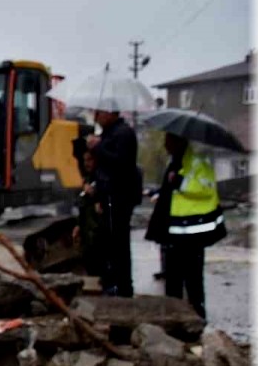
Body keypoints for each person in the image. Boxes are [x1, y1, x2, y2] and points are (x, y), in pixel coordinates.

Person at [144, 132, 226, 318]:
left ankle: (197, 317)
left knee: (193, 279)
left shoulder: (197, 162)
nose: (165, 145)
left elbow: (204, 188)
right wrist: (158, 192)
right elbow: (171, 189)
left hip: (191, 234)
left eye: (168, 140)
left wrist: (179, 182)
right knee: (173, 279)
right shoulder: (175, 162)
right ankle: (174, 317)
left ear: (178, 141)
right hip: (174, 232)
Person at [86, 109, 140, 297]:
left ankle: (121, 286)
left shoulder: (123, 134)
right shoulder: (110, 134)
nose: (96, 118)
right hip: (108, 195)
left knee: (117, 244)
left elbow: (121, 163)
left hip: (119, 196)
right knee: (108, 243)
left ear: (110, 113)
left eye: (99, 113)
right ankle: (111, 282)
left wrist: (98, 147)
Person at [73, 149, 110, 285]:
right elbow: (82, 205)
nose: (87, 163)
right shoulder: (86, 180)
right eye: (85, 160)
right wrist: (78, 225)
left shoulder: (102, 179)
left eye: (90, 160)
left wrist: (96, 194)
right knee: (89, 262)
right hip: (87, 230)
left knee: (101, 263)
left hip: (98, 230)